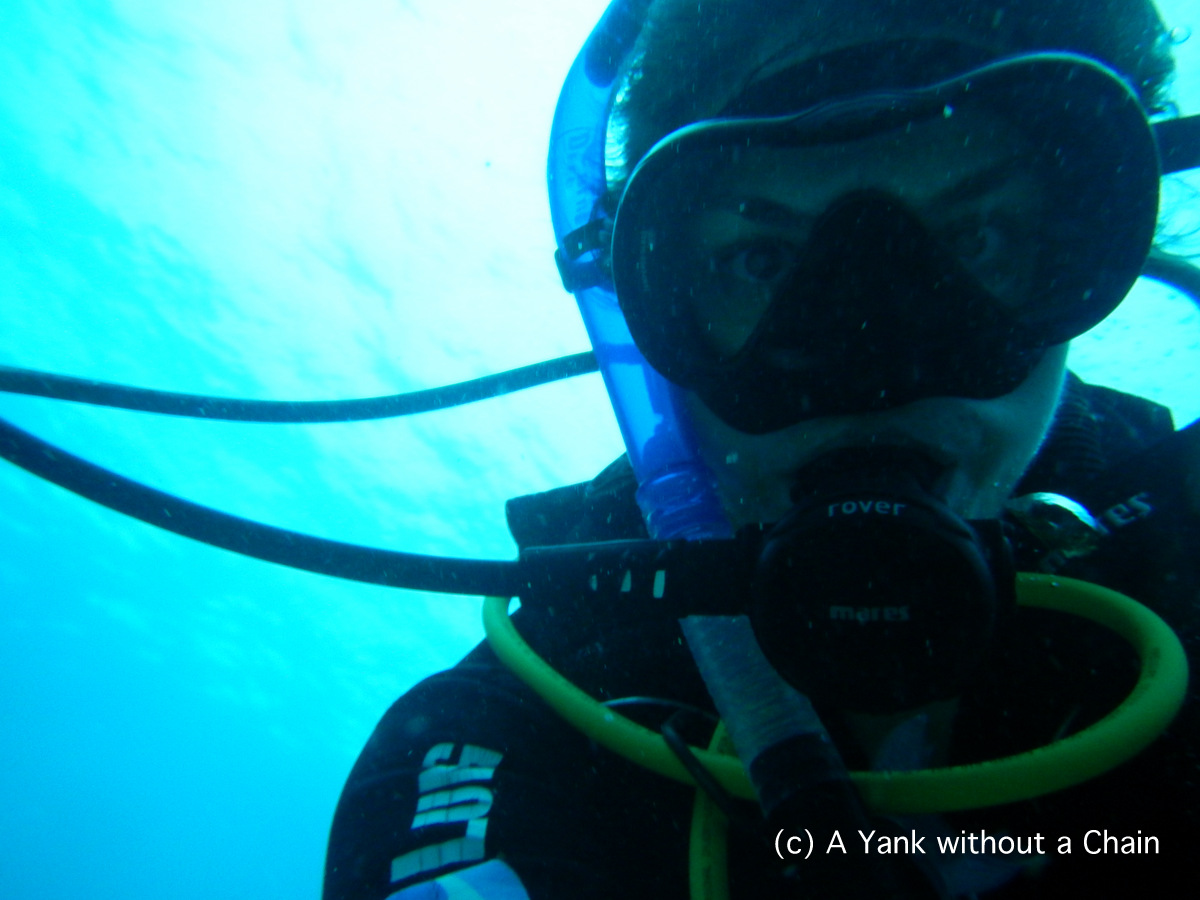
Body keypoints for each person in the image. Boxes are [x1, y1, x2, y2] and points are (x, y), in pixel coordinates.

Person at [323, 1, 1199, 897]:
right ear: (654, 307)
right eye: (762, 262)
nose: (873, 367)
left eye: (979, 238)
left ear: (1091, 243)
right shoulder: (529, 721)